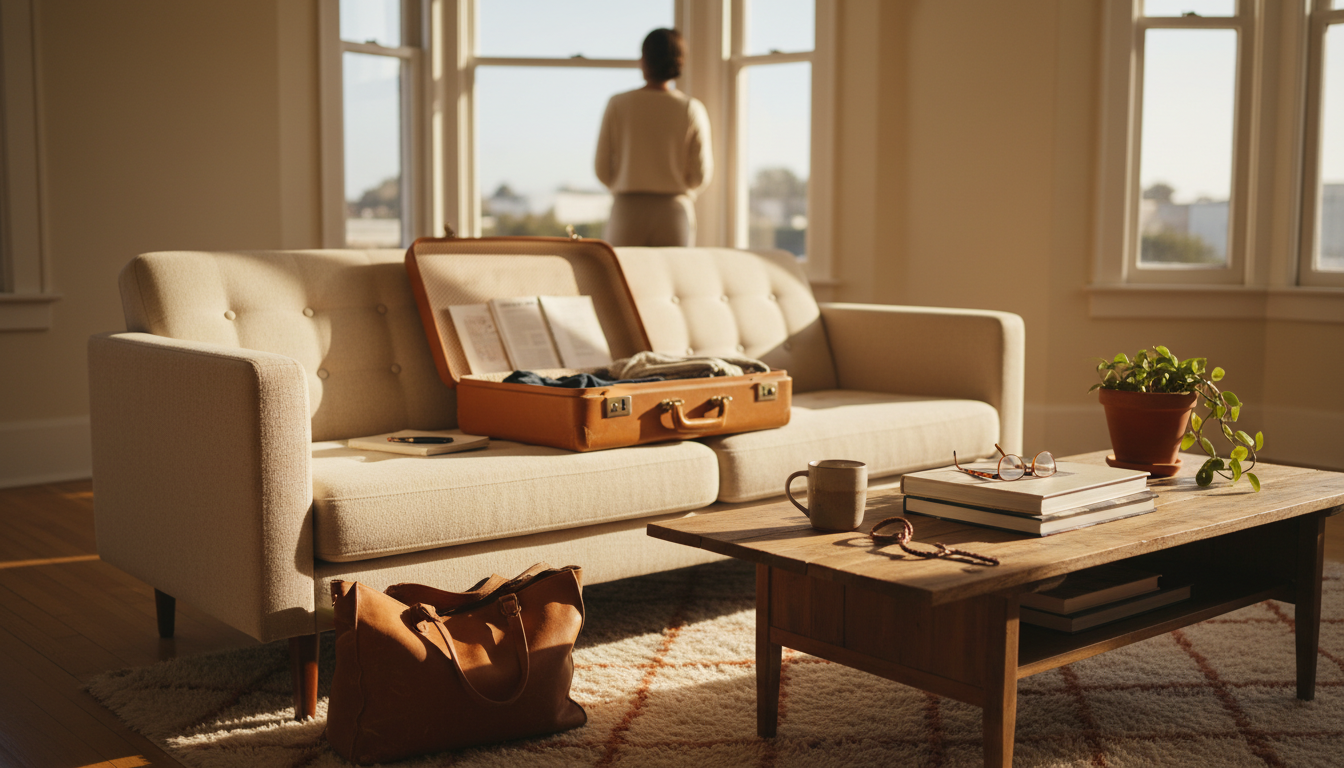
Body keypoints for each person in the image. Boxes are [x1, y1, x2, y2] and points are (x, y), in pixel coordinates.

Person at [595, 28, 713, 247]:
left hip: (627, 211)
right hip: (674, 211)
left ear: (643, 60)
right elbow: (701, 175)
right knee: (674, 278)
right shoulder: (690, 108)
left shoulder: (618, 104)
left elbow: (602, 170)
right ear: (680, 62)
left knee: (622, 278)